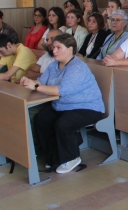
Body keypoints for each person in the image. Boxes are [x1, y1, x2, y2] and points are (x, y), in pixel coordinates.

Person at [20, 34, 104, 174]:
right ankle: (53, 155)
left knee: (63, 124)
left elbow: (61, 91)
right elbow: (42, 81)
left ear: (70, 49)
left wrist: (35, 87)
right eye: (54, 48)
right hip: (63, 105)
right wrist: (30, 83)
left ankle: (71, 158)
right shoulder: (54, 65)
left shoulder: (77, 67)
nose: (54, 51)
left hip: (87, 107)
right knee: (41, 119)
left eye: (59, 48)